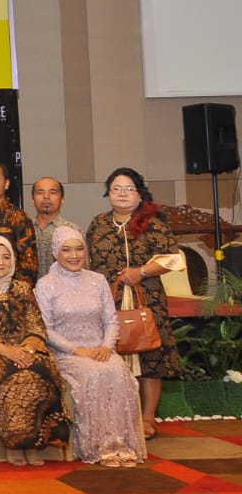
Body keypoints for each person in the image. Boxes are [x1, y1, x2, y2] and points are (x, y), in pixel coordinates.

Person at [36, 226, 147, 466]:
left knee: (118, 371)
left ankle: (122, 444)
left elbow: (110, 320)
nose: (74, 255)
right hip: (67, 354)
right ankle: (100, 447)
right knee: (93, 374)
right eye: (67, 250)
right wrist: (77, 350)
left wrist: (107, 346)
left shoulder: (97, 280)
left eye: (79, 249)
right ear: (55, 252)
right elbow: (46, 329)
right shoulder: (46, 284)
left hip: (101, 350)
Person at [86, 167, 180, 440]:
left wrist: (142, 272)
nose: (122, 194)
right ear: (108, 193)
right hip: (109, 300)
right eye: (116, 188)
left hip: (147, 299)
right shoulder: (99, 223)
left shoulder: (152, 222)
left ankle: (148, 418)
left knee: (150, 358)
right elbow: (88, 261)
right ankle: (118, 417)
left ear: (139, 194)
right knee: (112, 356)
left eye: (129, 189)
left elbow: (172, 259)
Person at [0, 236, 69, 466]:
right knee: (13, 377)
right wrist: (7, 352)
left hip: (26, 349)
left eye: (6, 257)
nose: (0, 262)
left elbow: (36, 324)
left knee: (41, 370)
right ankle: (15, 444)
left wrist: (27, 350)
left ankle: (33, 444)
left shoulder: (23, 288)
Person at [31, 177, 79, 279]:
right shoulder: (23, 229)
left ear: (62, 201)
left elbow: (83, 270)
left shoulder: (73, 231)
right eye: (40, 192)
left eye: (52, 192)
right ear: (32, 200)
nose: (46, 196)